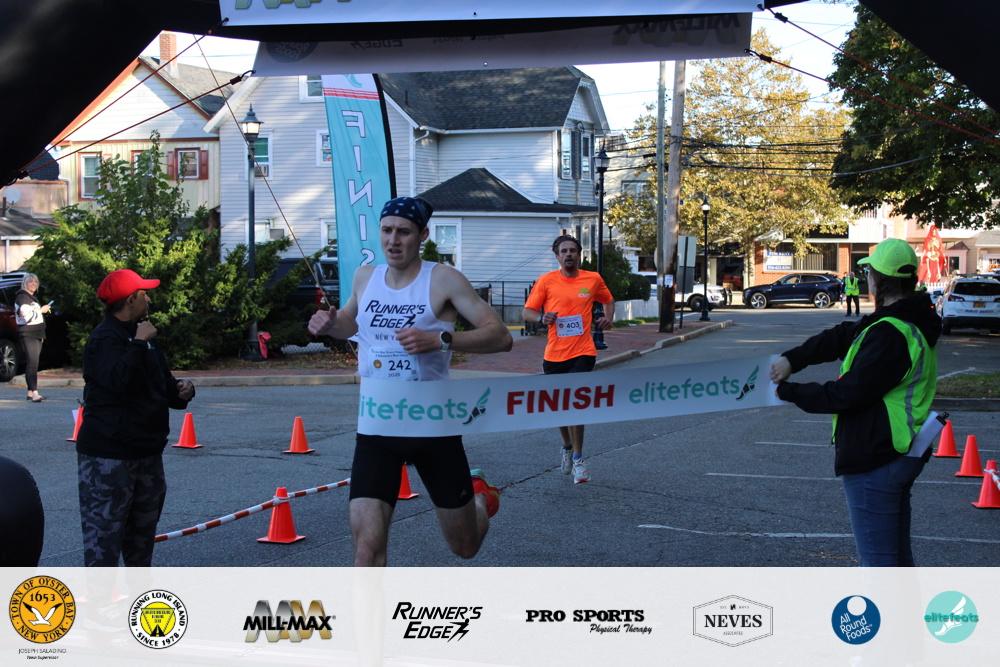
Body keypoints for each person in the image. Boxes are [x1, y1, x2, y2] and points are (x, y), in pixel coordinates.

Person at [309, 196, 512, 567]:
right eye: (387, 230)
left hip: (432, 426)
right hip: (378, 425)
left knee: (465, 546)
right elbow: (349, 323)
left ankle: (480, 497)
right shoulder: (365, 277)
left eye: (403, 232)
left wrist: (440, 339)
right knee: (366, 551)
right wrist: (329, 325)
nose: (393, 240)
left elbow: (500, 336)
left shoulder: (443, 279)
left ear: (422, 235)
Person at [770, 239, 940, 566]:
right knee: (896, 561)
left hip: (876, 456)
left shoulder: (891, 333)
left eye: (869, 273)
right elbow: (841, 336)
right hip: (895, 450)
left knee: (879, 565)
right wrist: (793, 359)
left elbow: (847, 394)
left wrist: (787, 391)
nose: (866, 279)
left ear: (877, 281)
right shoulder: (902, 321)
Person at [76, 269, 195, 567]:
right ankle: (101, 595)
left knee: (141, 540)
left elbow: (159, 380)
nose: (149, 299)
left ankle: (138, 591)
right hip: (109, 456)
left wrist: (181, 390)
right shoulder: (105, 338)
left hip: (147, 452)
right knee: (104, 540)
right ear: (130, 300)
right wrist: (139, 343)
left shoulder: (145, 335)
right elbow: (117, 383)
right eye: (144, 294)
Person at [522, 234, 615, 484]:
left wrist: (609, 318)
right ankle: (566, 446)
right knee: (559, 407)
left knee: (576, 404)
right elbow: (527, 311)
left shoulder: (592, 279)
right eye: (564, 251)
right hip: (554, 354)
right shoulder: (546, 281)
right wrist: (541, 318)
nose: (569, 254)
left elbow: (608, 300)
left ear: (579, 254)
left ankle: (579, 459)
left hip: (583, 351)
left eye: (572, 250)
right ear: (557, 256)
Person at [15, 273, 52, 402]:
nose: (34, 284)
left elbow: (36, 318)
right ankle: (35, 393)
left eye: (35, 282)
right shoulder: (23, 297)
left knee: (33, 363)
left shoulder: (32, 297)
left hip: (37, 333)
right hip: (28, 333)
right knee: (32, 363)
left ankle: (30, 392)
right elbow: (25, 316)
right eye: (31, 281)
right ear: (25, 283)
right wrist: (41, 310)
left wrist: (41, 334)